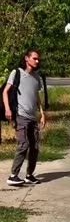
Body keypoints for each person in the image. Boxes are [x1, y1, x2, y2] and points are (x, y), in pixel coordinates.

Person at [3, 48, 46, 186]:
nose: (37, 61)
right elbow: (5, 91)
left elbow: (36, 97)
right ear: (26, 58)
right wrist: (8, 109)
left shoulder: (36, 78)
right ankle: (13, 175)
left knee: (34, 147)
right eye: (34, 58)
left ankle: (29, 175)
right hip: (20, 115)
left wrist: (42, 113)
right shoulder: (17, 73)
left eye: (38, 59)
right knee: (23, 145)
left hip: (33, 117)